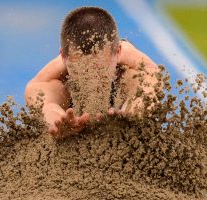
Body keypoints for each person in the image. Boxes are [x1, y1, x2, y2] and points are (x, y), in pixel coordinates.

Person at [25, 6, 159, 139]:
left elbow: (151, 80)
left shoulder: (133, 62)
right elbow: (47, 105)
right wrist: (57, 123)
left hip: (122, 109)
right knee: (56, 90)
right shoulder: (47, 80)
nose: (92, 81)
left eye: (100, 70)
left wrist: (133, 113)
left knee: (133, 76)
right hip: (72, 120)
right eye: (81, 71)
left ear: (118, 52)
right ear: (63, 57)